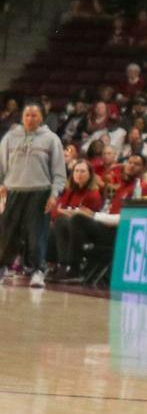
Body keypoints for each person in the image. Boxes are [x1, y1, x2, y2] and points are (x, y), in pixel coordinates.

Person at [0, 103, 64, 287]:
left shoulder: (51, 139)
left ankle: (37, 271)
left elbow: (59, 172)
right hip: (12, 191)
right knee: (6, 233)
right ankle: (2, 267)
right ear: (22, 117)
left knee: (37, 235)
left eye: (34, 115)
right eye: (27, 114)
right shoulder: (10, 137)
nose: (30, 118)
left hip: (40, 192)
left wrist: (54, 194)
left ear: (41, 117)